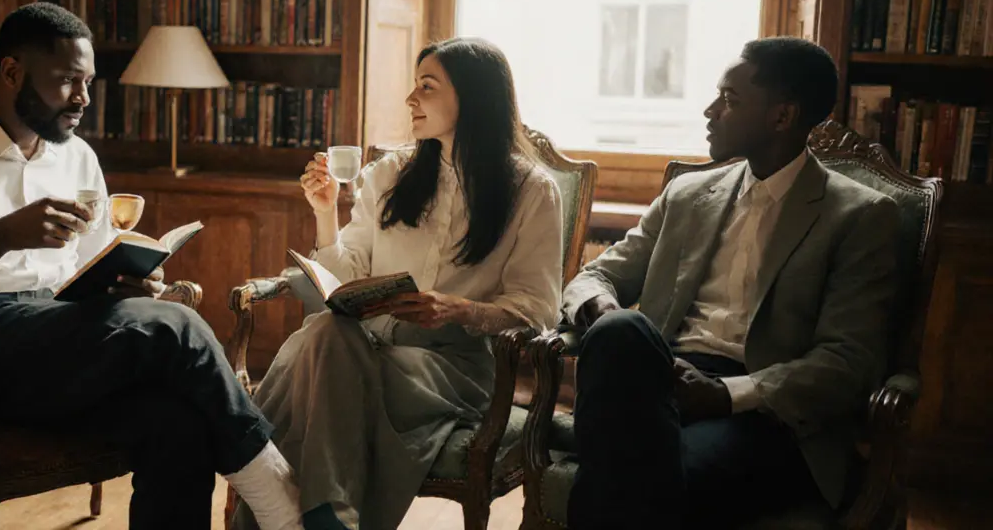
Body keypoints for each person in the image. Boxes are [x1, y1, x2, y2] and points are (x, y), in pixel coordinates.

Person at [0, 3, 305, 530]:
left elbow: (90, 263)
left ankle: (274, 499)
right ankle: (285, 504)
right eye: (67, 82)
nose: (83, 99)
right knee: (177, 327)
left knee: (179, 426)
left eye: (89, 82)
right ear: (12, 72)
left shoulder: (75, 156)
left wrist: (130, 281)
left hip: (65, 342)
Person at [560, 37, 900, 529]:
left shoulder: (859, 217)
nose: (709, 110)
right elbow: (593, 278)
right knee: (619, 333)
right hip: (661, 377)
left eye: (730, 99)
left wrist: (725, 394)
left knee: (629, 473)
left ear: (782, 117)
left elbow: (845, 364)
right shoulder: (687, 193)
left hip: (763, 412)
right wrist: (607, 312)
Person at [235, 38, 566, 530]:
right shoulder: (389, 174)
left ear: (471, 98)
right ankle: (333, 519)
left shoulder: (532, 191)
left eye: (426, 88)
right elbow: (346, 278)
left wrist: (457, 309)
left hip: (455, 367)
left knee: (319, 358)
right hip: (364, 347)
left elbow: (537, 308)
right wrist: (325, 213)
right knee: (330, 336)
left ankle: (290, 513)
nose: (411, 100)